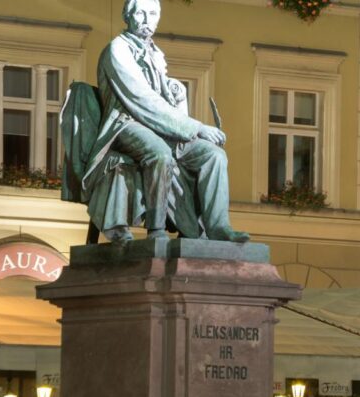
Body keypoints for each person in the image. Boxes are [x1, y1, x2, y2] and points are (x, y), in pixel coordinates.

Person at [87, 0, 248, 242]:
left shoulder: (155, 53)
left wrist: (176, 92)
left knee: (213, 155)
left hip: (159, 127)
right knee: (159, 153)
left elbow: (163, 103)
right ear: (127, 16)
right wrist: (197, 127)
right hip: (126, 124)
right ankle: (156, 229)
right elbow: (141, 99)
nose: (146, 20)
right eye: (140, 13)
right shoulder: (117, 50)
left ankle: (217, 227)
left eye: (152, 14)